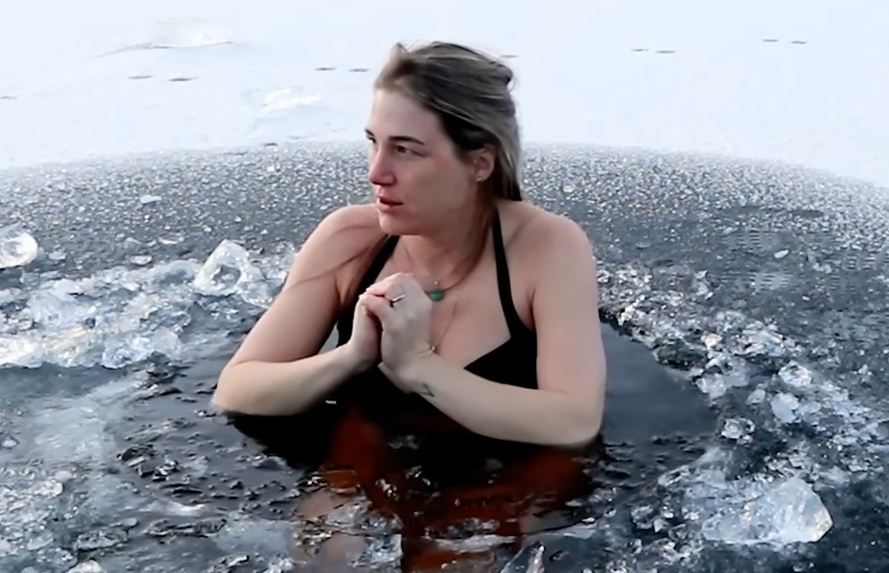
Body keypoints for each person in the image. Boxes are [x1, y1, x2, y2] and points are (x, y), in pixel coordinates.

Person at [212, 40, 607, 449]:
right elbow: (237, 389)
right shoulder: (349, 240)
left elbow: (573, 422)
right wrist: (351, 357)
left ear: (479, 163)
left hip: (511, 480)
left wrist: (419, 368)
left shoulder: (547, 248)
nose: (376, 173)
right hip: (371, 464)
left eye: (404, 150)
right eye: (374, 143)